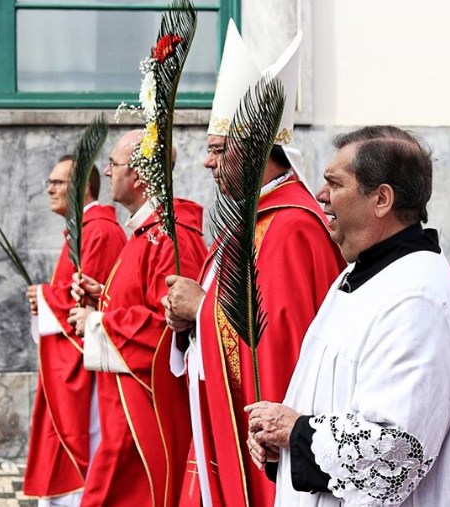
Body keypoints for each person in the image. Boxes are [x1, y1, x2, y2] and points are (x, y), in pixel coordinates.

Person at [245, 126, 450, 507]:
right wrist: (285, 447)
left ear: (381, 199)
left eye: (335, 183)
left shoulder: (417, 301)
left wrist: (295, 432)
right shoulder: (358, 276)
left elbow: (396, 452)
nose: (321, 195)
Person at [162, 21, 345, 507]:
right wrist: (186, 322)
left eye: (216, 149)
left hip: (267, 445)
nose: (207, 163)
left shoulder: (291, 226)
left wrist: (201, 308)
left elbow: (281, 338)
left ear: (252, 147)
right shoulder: (247, 221)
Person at [67, 129, 207, 507]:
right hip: (124, 403)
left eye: (113, 164)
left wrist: (96, 323)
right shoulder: (147, 232)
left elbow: (170, 327)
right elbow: (144, 298)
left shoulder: (171, 236)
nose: (106, 172)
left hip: (146, 408)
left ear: (139, 176)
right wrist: (103, 295)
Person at [23, 155, 127, 506]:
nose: (49, 189)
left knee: (84, 445)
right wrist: (45, 299)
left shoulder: (99, 231)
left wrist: (44, 297)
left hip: (87, 371)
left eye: (58, 182)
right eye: (50, 182)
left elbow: (89, 306)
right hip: (72, 363)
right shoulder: (84, 229)